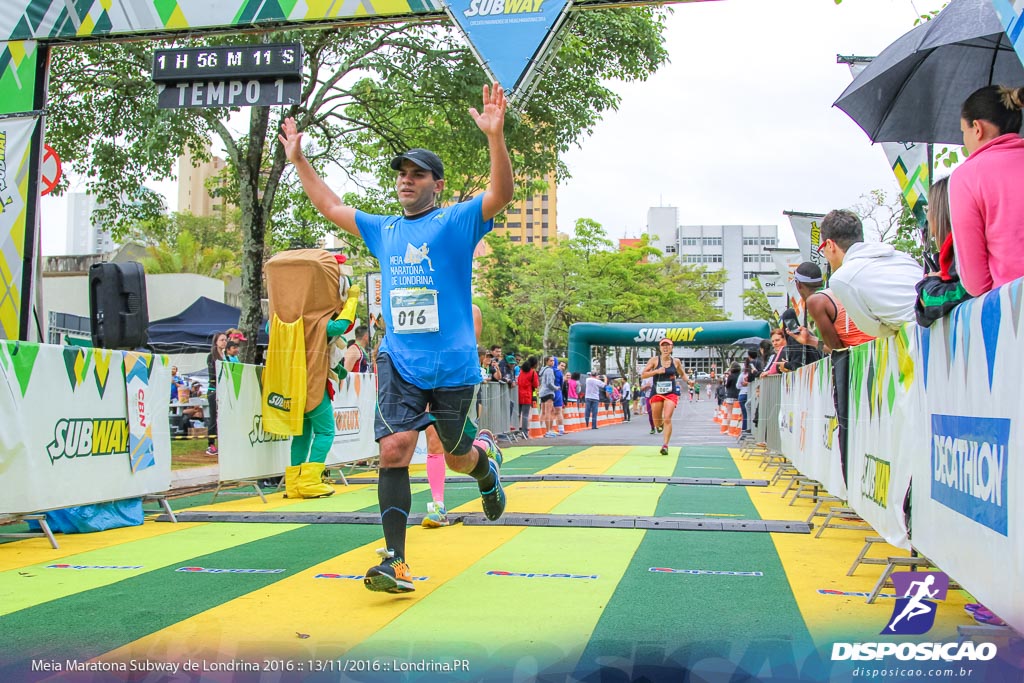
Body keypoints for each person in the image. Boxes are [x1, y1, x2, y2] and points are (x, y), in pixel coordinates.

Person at [280, 83, 513, 594]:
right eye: (402, 175)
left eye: (418, 175)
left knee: (454, 455)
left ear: (437, 184)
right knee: (395, 450)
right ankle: (395, 560)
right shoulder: (383, 229)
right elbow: (331, 205)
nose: (407, 182)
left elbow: (501, 195)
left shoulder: (456, 221)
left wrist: (495, 138)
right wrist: (299, 161)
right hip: (401, 362)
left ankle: (486, 470)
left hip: (452, 367)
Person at [262, 250, 361, 500]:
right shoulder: (317, 322)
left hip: (289, 386)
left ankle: (293, 484)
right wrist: (352, 300)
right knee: (326, 431)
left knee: (301, 433)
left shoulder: (277, 321)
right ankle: (310, 481)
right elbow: (343, 326)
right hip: (311, 385)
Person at [950, 85, 1024, 296]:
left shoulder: (966, 177)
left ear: (977, 128)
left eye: (964, 132)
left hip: (1015, 309)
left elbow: (976, 284)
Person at [423, 304, 484, 529]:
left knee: (457, 457)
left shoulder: (471, 310)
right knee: (433, 442)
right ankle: (438, 506)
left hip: (459, 381)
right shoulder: (424, 303)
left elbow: (466, 345)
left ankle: (485, 449)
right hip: (428, 376)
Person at [818, 209, 921, 338]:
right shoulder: (901, 256)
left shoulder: (841, 278)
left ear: (829, 245)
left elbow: (875, 330)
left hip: (922, 335)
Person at [916, 177, 973, 326]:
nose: (927, 217)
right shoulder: (948, 257)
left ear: (940, 211)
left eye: (927, 209)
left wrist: (930, 285)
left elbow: (932, 303)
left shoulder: (963, 252)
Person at [640, 338, 692, 456]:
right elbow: (643, 375)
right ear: (660, 348)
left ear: (672, 347)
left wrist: (689, 381)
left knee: (667, 418)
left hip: (670, 393)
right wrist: (656, 371)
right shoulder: (654, 360)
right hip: (657, 393)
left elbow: (682, 374)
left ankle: (665, 445)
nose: (665, 348)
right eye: (663, 346)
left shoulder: (676, 361)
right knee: (657, 421)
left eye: (668, 346)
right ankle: (659, 425)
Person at [205, 331, 227, 456]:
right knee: (213, 417)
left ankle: (223, 442)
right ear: (216, 342)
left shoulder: (227, 356)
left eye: (225, 340)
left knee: (223, 417)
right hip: (214, 390)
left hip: (224, 390)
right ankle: (211, 444)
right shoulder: (211, 357)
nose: (224, 342)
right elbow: (213, 374)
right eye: (222, 340)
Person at [517, 356, 539, 436]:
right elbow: (536, 384)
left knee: (518, 414)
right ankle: (525, 432)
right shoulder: (533, 372)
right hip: (527, 395)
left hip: (518, 394)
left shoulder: (521, 371)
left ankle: (516, 430)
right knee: (525, 415)